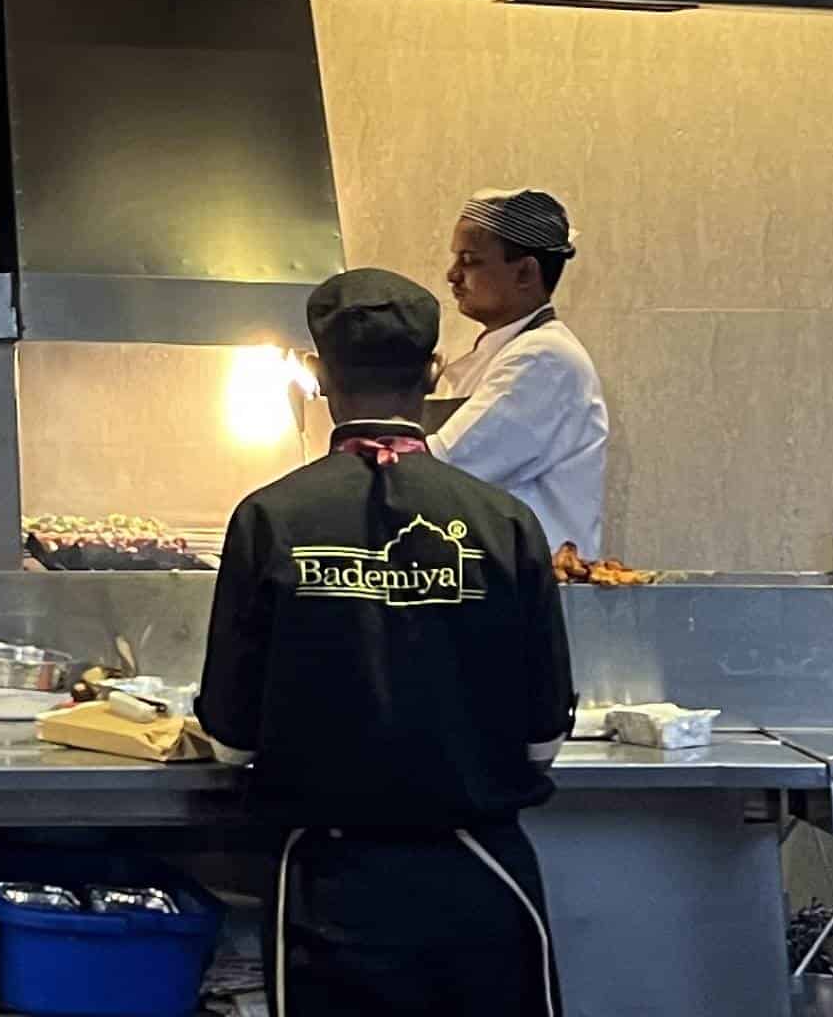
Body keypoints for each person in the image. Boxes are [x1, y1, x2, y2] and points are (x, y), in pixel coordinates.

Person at [200, 266, 575, 1017]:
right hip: (482, 879)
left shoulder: (268, 519)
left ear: (315, 374)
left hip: (329, 888)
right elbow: (542, 737)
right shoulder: (504, 523)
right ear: (433, 372)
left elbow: (232, 739)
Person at [433, 187, 613, 563]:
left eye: (469, 261)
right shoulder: (505, 352)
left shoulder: (543, 360)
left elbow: (442, 467)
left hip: (530, 595)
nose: (452, 275)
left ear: (525, 273)